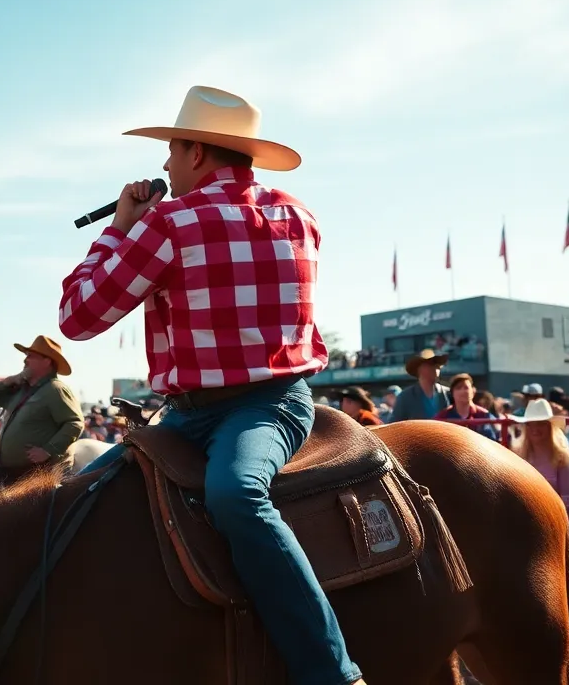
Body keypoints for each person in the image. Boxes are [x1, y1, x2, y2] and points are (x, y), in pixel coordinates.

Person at [60, 86, 365, 685]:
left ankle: (333, 674)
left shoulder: (170, 222)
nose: (166, 168)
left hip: (219, 410)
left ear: (197, 152)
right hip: (277, 400)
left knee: (222, 495)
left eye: (172, 152)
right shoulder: (298, 215)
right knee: (211, 493)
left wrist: (121, 228)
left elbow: (78, 316)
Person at [0, 336, 84, 479]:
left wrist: (48, 450)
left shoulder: (55, 389)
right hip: (13, 473)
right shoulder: (21, 389)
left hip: (38, 476)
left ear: (47, 361)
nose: (25, 360)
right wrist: (10, 380)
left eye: (31, 356)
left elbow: (75, 423)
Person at [511, 398, 569, 508]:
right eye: (530, 424)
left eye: (540, 423)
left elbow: (568, 497)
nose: (535, 428)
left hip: (553, 516)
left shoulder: (562, 456)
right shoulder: (517, 454)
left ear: (550, 426)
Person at [388, 350, 451, 422]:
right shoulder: (405, 397)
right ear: (419, 369)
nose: (436, 367)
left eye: (438, 364)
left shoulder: (449, 394)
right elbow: (394, 425)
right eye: (431, 363)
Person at [434, 373, 500, 441]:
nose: (463, 391)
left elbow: (501, 436)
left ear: (473, 391)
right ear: (452, 393)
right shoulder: (443, 417)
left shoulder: (485, 415)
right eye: (458, 388)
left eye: (466, 387)